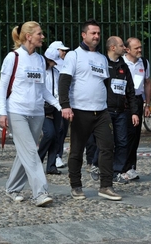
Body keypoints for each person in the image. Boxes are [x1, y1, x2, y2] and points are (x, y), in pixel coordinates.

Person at [0, 21, 60, 206]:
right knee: (32, 152)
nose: (43, 37)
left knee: (25, 153)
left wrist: (59, 106)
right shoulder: (13, 57)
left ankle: (12, 188)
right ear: (28, 36)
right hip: (17, 111)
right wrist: (2, 112)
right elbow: (2, 88)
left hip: (37, 113)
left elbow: (43, 90)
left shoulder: (41, 60)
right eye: (40, 34)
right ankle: (40, 193)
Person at [58, 19, 121, 201]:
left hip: (101, 111)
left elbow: (105, 83)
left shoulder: (102, 58)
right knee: (77, 150)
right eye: (93, 33)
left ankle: (106, 186)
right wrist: (65, 105)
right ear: (84, 35)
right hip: (80, 110)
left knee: (108, 147)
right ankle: (76, 186)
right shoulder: (74, 56)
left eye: (99, 33)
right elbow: (64, 81)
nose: (96, 36)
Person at [104, 36, 139, 183]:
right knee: (105, 143)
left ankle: (117, 171)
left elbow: (130, 91)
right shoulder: (103, 64)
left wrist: (134, 112)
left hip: (122, 111)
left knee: (123, 142)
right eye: (120, 45)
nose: (123, 48)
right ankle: (101, 169)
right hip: (105, 109)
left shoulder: (123, 66)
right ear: (112, 47)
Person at [122, 37, 151, 179]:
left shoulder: (144, 63)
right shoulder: (121, 62)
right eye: (136, 48)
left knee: (135, 135)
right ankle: (121, 166)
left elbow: (147, 83)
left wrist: (147, 103)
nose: (139, 50)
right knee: (123, 135)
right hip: (124, 101)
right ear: (127, 49)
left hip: (138, 100)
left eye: (140, 47)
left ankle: (131, 166)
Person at [38, 46, 63, 175]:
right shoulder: (40, 71)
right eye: (52, 61)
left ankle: (51, 165)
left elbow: (57, 89)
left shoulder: (56, 72)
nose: (54, 64)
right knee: (49, 133)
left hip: (55, 106)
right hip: (42, 106)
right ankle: (38, 159)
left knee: (56, 136)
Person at [46, 41, 71, 169]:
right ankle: (50, 157)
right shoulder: (47, 68)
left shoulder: (61, 66)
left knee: (61, 131)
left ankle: (56, 157)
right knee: (53, 132)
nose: (64, 53)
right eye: (62, 50)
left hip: (61, 103)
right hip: (49, 104)